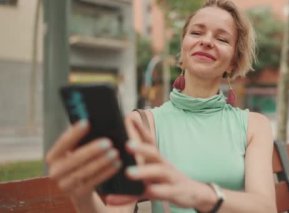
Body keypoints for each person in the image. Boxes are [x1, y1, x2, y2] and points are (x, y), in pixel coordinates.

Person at [46, 0, 277, 212]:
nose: (206, 41)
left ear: (233, 61)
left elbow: (265, 208)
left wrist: (197, 194)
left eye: (222, 38)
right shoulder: (142, 125)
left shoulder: (254, 125)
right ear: (183, 50)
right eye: (196, 32)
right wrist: (82, 194)